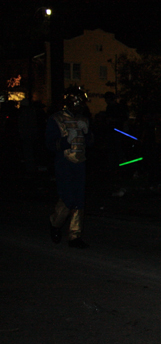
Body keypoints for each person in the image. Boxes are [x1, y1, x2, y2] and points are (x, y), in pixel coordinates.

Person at [46, 86, 94, 249]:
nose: (80, 106)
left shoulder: (84, 119)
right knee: (67, 198)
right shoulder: (56, 119)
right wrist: (66, 140)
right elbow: (50, 144)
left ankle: (75, 235)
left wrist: (86, 133)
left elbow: (90, 143)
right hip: (64, 163)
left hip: (80, 163)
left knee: (79, 200)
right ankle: (55, 222)